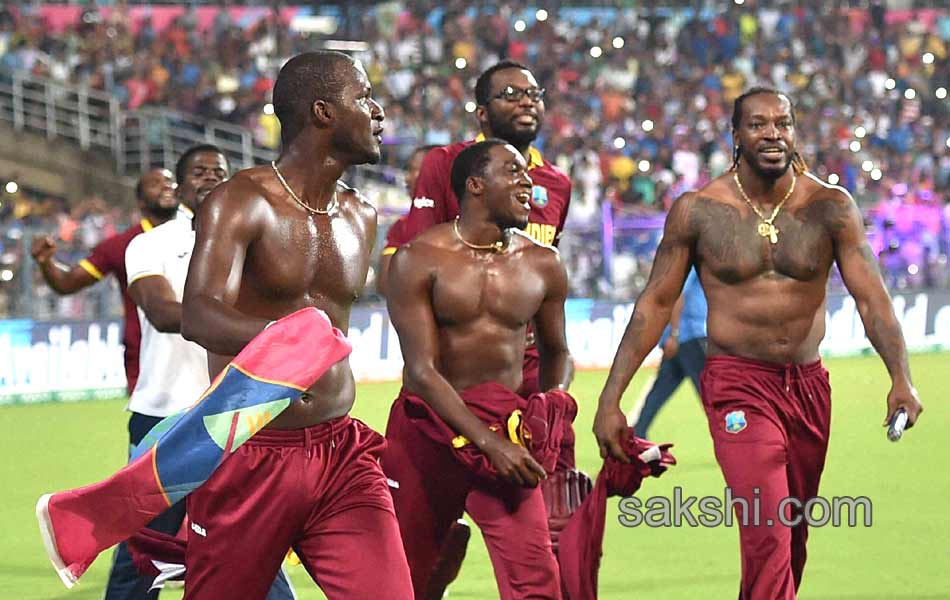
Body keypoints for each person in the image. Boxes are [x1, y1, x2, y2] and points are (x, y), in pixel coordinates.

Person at [593, 88, 923, 600]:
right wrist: (611, 398)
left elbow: (873, 300)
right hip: (737, 384)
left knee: (790, 538)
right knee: (766, 528)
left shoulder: (830, 207)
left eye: (783, 123)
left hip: (809, 388)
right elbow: (654, 304)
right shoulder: (698, 210)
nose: (772, 134)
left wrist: (900, 376)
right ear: (735, 136)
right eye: (758, 124)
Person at [179, 51, 413, 600]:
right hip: (251, 450)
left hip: (341, 451)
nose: (378, 112)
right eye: (364, 98)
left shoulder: (364, 215)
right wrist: (294, 341)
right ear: (323, 112)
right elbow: (199, 314)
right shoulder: (240, 200)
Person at [388, 59, 576, 598]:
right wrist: (486, 441)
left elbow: (558, 352)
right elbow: (421, 371)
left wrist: (549, 407)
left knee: (536, 576)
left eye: (527, 174)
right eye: (513, 175)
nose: (529, 185)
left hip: (508, 419)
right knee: (406, 574)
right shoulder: (418, 259)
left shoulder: (543, 264)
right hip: (429, 425)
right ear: (474, 185)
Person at [120, 144, 294, 599]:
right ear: (179, 186)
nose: (211, 177)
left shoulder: (254, 244)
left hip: (234, 414)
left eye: (220, 170)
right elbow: (161, 312)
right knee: (141, 551)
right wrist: (264, 328)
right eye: (199, 171)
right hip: (165, 415)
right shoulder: (150, 244)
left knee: (254, 538)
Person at [30, 168, 178, 395]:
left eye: (170, 181)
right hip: (148, 364)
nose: (166, 186)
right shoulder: (120, 245)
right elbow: (67, 282)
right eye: (155, 183)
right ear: (139, 202)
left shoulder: (202, 235)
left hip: (200, 356)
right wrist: (46, 262)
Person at [630, 267, 707, 438]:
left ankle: (638, 433)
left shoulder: (675, 263)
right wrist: (675, 332)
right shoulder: (692, 263)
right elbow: (678, 294)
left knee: (660, 391)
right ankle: (730, 436)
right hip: (690, 335)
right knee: (711, 393)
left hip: (678, 337)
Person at [376, 144, 438, 297]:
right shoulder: (401, 226)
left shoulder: (463, 222)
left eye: (414, 170)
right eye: (408, 169)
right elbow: (385, 284)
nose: (407, 178)